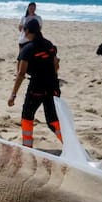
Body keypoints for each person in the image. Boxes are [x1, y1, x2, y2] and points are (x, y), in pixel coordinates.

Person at [7, 18, 62, 149]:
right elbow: (56, 65)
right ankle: (69, 144)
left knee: (27, 115)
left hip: (37, 88)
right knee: (52, 119)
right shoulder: (49, 45)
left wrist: (13, 95)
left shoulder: (27, 49)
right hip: (52, 86)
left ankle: (27, 146)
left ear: (27, 31)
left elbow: (21, 74)